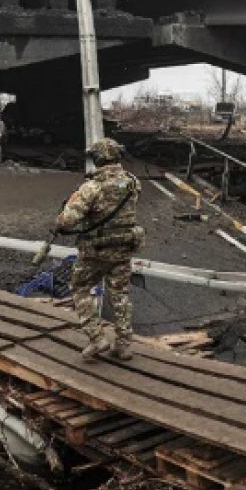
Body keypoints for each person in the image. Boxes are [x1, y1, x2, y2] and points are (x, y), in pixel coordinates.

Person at [56, 138, 143, 360]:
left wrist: (66, 210)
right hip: (123, 248)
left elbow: (66, 222)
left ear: (97, 159)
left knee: (80, 288)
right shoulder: (133, 183)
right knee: (120, 294)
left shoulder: (91, 187)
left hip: (95, 251)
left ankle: (97, 338)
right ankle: (123, 344)